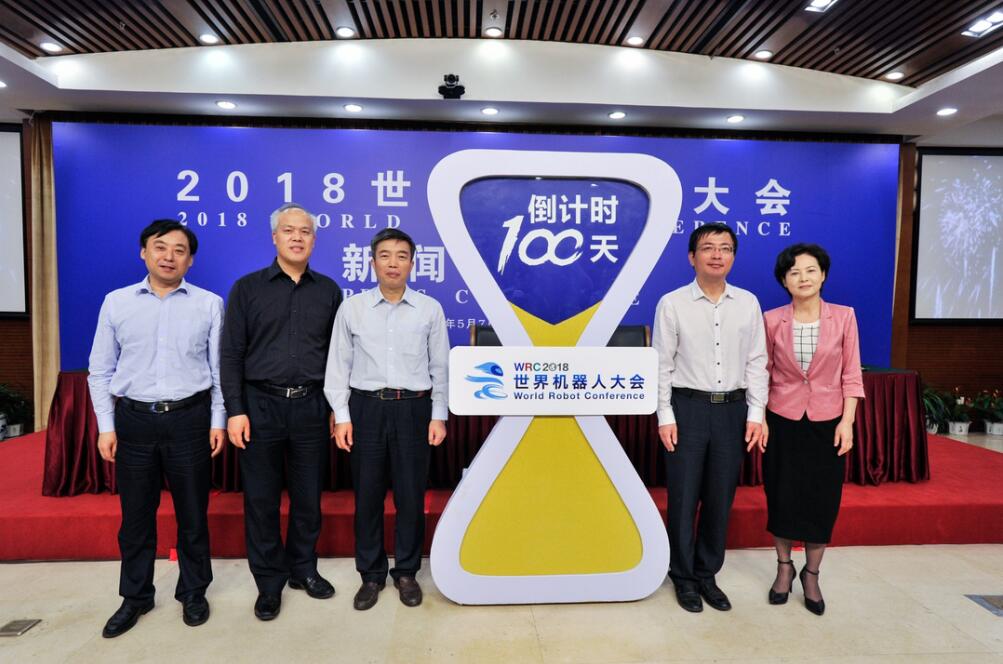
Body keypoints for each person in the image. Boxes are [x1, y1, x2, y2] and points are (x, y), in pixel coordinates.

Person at [88, 220, 225, 637]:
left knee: (192, 515)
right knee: (135, 517)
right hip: (134, 420)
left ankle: (194, 591)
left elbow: (219, 371)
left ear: (191, 260)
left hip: (189, 419)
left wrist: (217, 420)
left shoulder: (209, 304)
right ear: (143, 252)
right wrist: (106, 426)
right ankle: (136, 596)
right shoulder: (117, 303)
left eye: (179, 250)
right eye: (160, 247)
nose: (169, 256)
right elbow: (100, 370)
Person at [221, 203, 343, 621]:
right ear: (274, 237)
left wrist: (336, 406)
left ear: (314, 240)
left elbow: (338, 356)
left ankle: (303, 568)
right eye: (288, 230)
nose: (297, 237)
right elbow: (231, 354)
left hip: (311, 405)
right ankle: (268, 583)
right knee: (262, 500)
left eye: (304, 231)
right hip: (259, 406)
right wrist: (235, 410)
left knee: (308, 496)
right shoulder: (247, 289)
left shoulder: (329, 291)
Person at [324, 228, 449, 611]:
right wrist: (342, 416)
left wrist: (438, 415)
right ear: (372, 261)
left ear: (412, 263)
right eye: (385, 255)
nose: (393, 263)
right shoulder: (353, 308)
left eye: (401, 255)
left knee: (411, 496)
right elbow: (338, 365)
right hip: (367, 409)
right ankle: (372, 574)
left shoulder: (429, 309)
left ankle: (407, 572)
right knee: (368, 496)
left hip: (414, 409)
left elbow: (440, 367)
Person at [652, 222, 769, 613]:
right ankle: (683, 577)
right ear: (692, 257)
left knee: (720, 498)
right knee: (684, 497)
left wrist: (756, 412)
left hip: (732, 411)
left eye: (726, 248)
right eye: (708, 247)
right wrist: (665, 415)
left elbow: (756, 361)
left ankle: (707, 573)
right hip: (687, 409)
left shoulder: (748, 303)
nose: (717, 255)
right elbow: (662, 365)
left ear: (733, 256)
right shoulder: (673, 303)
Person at [761, 243, 864, 616]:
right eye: (794, 272)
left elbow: (851, 373)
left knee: (822, 500)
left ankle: (812, 574)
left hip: (828, 422)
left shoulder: (844, 317)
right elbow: (762, 372)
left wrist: (847, 422)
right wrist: (760, 419)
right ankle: (784, 568)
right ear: (784, 281)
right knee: (782, 495)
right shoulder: (771, 319)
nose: (802, 278)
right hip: (782, 419)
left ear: (823, 275)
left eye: (810, 270)